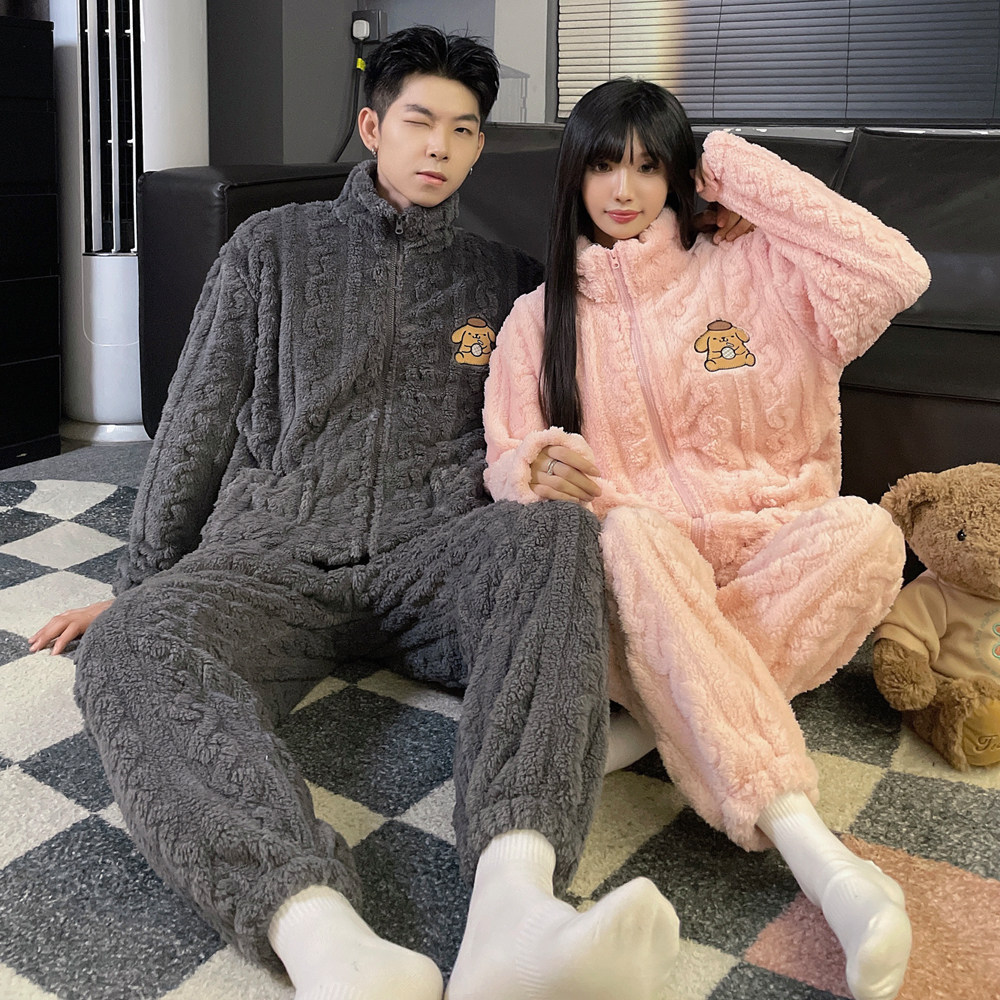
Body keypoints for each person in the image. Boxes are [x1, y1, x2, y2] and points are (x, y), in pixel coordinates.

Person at [27, 29, 705, 1000]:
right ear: (373, 126)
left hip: (437, 558)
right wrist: (142, 582)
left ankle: (516, 907)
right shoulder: (270, 248)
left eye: (463, 129)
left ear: (479, 146)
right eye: (420, 121)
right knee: (130, 643)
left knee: (557, 529)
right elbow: (193, 424)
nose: (439, 146)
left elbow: (627, 317)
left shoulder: (505, 277)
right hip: (274, 558)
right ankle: (323, 939)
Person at [482, 79, 932, 1000]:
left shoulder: (754, 269)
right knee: (632, 533)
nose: (624, 189)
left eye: (651, 167)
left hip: (772, 552)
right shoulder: (538, 317)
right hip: (641, 574)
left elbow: (895, 270)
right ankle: (821, 861)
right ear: (574, 176)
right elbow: (505, 458)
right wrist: (535, 469)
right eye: (604, 165)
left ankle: (656, 726)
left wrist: (726, 165)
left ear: (680, 176)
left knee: (869, 532)